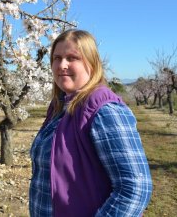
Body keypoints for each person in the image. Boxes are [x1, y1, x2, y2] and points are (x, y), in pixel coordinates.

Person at [29, 29, 153, 216]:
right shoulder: (59, 106)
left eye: (72, 58)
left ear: (92, 64)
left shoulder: (104, 111)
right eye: (57, 58)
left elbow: (135, 188)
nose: (62, 65)